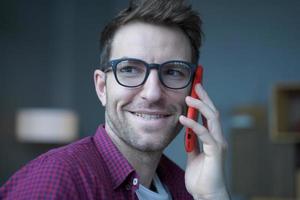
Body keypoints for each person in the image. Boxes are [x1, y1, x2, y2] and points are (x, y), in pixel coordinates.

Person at [0, 0, 230, 199]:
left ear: (194, 89)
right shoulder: (56, 180)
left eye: (173, 72)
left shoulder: (188, 189)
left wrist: (212, 196)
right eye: (130, 69)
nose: (152, 93)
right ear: (102, 88)